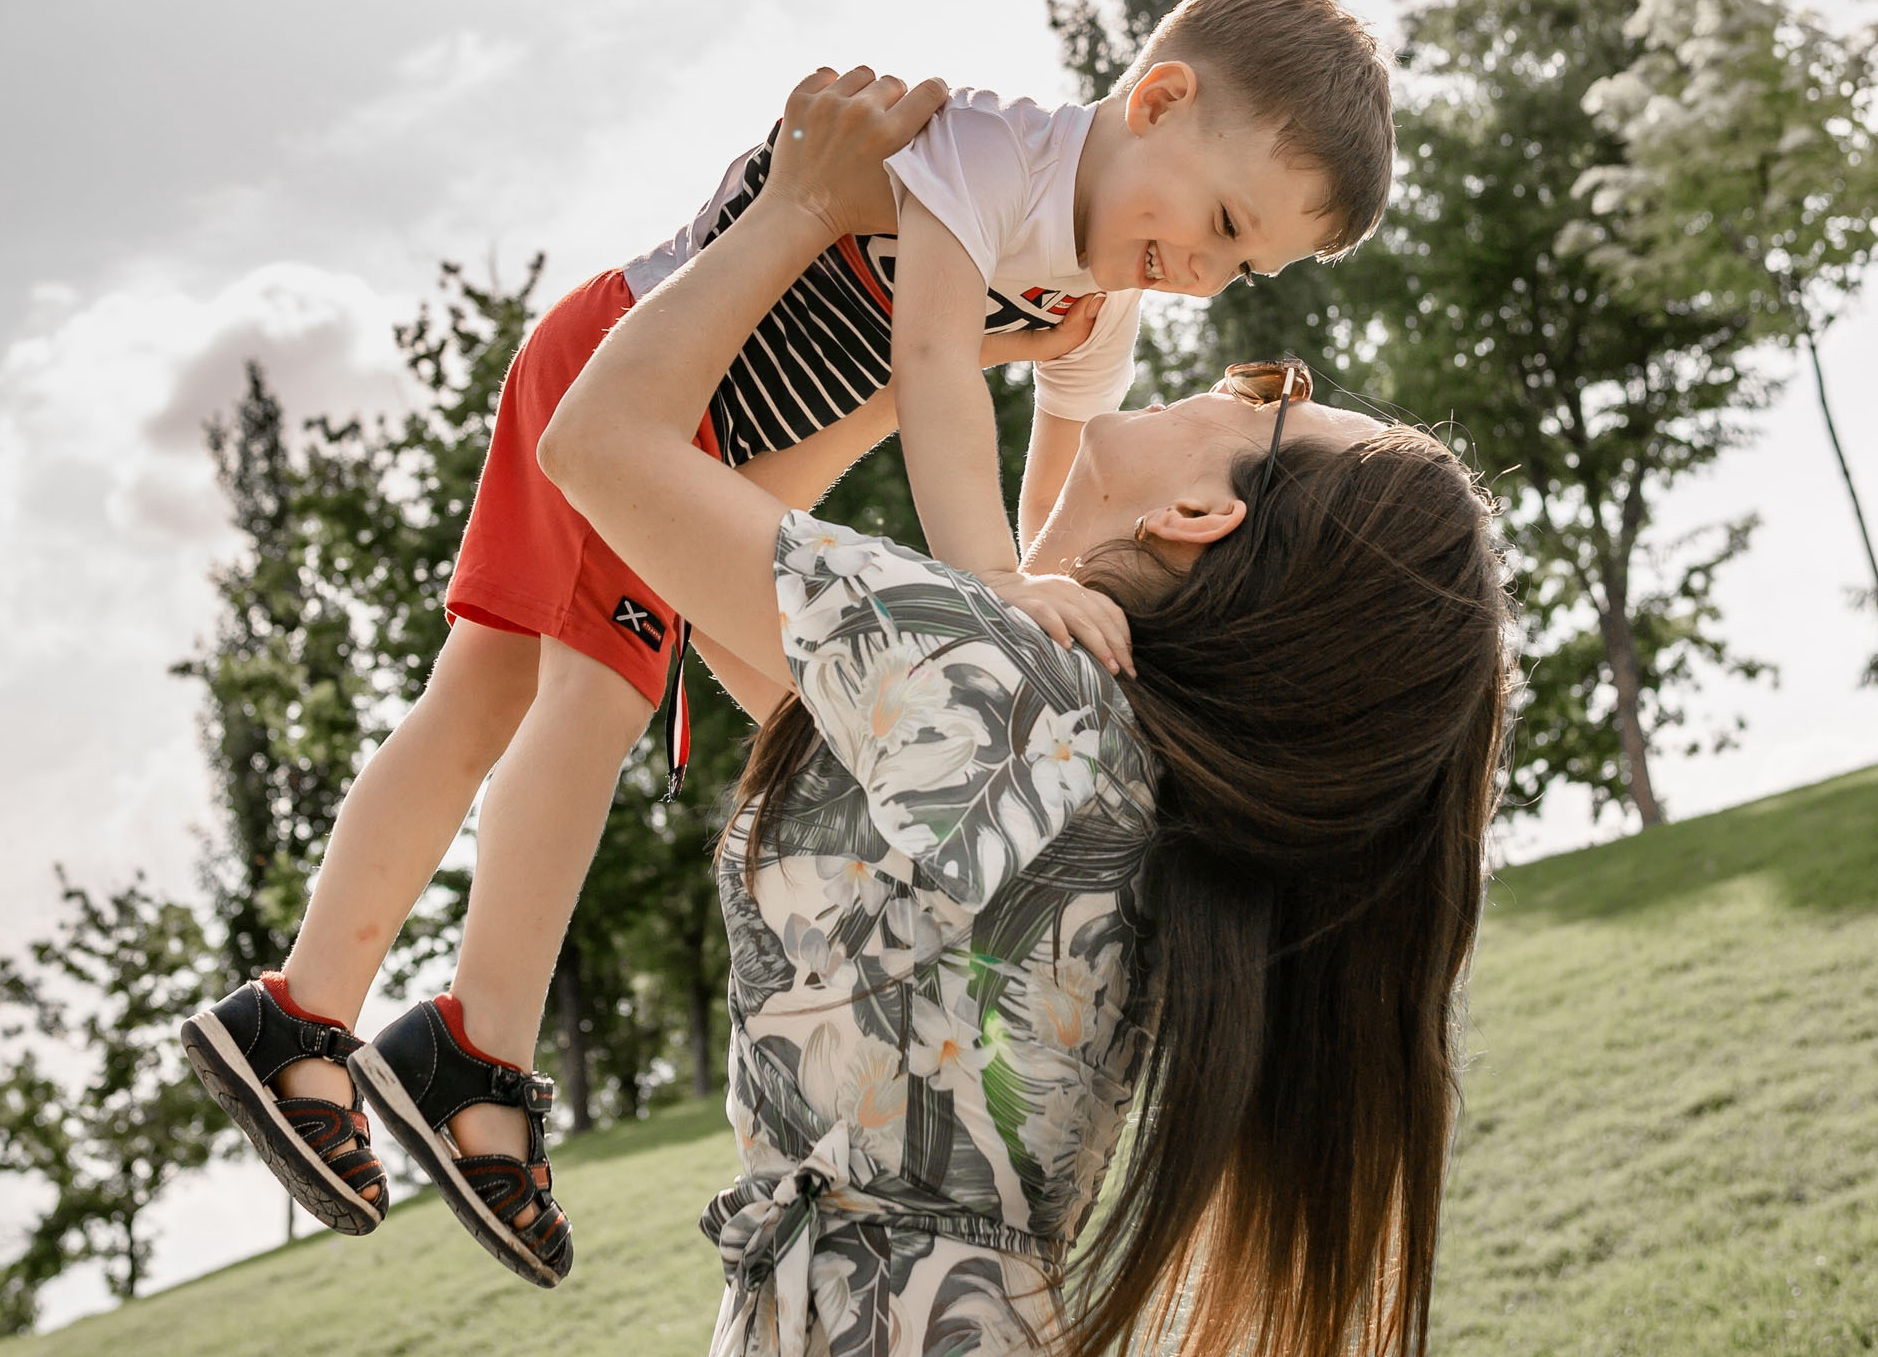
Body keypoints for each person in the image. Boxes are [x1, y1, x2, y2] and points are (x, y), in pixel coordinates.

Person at [182, 0, 1398, 1286]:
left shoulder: (1097, 303)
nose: (1208, 275)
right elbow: (933, 367)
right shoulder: (992, 156)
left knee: (484, 699)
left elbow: (1056, 476)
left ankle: (299, 1012)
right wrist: (989, 574)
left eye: (1244, 262)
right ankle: (473, 1051)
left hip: (708, 448)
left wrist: (1025, 611)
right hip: (636, 370)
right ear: (1158, 100)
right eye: (1220, 221)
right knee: (583, 701)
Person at [536, 69, 1514, 1356]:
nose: (1221, 372)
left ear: (1208, 513)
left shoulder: (999, 681)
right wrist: (944, 333)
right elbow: (700, 561)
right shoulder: (1099, 750)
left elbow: (598, 443)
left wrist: (798, 211)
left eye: (1269, 393)